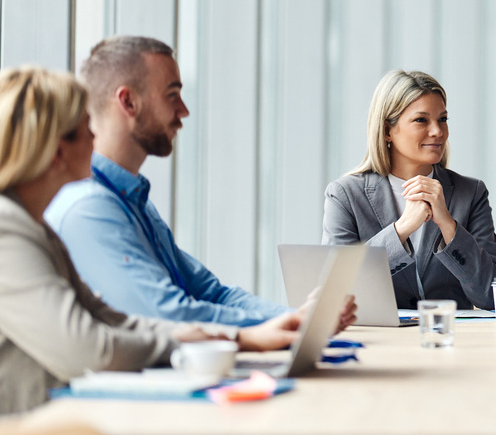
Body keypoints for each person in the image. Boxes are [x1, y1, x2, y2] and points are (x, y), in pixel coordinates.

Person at [0, 67, 302, 416]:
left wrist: (240, 338)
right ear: (57, 152)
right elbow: (88, 349)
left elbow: (113, 319)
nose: (96, 141)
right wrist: (188, 345)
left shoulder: (33, 226)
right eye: (87, 131)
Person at [46, 36, 324, 326]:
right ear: (128, 101)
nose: (184, 110)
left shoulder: (133, 200)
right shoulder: (88, 207)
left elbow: (210, 294)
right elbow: (168, 314)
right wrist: (276, 327)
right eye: (172, 95)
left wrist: (295, 318)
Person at [322, 70, 496, 310]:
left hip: (451, 342)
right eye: (421, 120)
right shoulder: (344, 195)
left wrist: (449, 227)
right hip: (377, 343)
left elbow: (494, 296)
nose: (437, 131)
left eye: (442, 119)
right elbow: (335, 293)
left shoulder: (471, 193)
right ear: (388, 130)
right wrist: (402, 229)